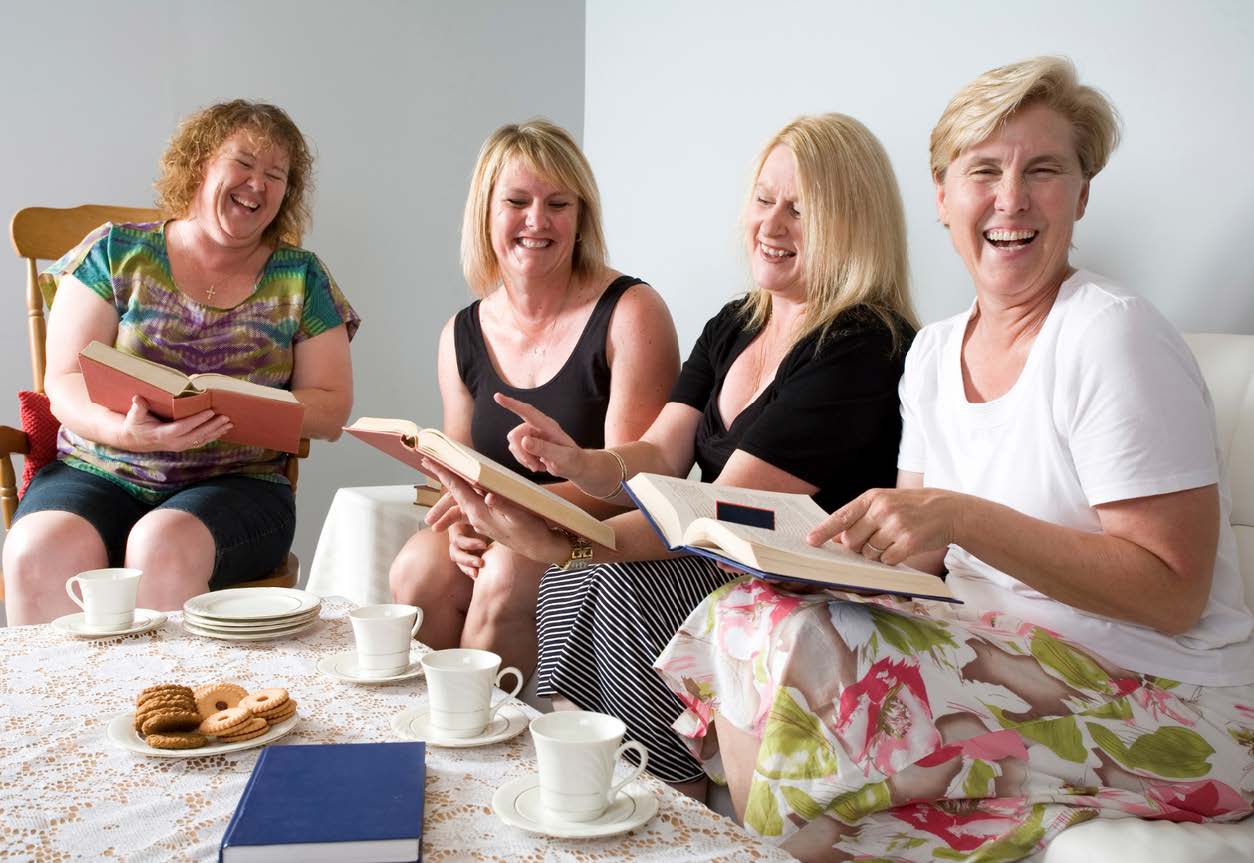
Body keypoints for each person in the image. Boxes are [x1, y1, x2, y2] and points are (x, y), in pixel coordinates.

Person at [654, 57, 1254, 862]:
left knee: (813, 652)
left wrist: (964, 518)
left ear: (1081, 195)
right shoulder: (935, 353)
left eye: (1043, 170)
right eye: (984, 171)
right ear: (943, 197)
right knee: (746, 613)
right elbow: (923, 562)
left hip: (1169, 697)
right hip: (1006, 659)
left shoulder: (1112, 334)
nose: (1011, 199)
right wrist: (824, 560)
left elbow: (1174, 591)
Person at [422, 113, 918, 796]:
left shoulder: (860, 345)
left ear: (853, 221)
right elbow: (659, 449)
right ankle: (589, 776)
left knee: (616, 579)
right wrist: (580, 462)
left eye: (801, 210)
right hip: (727, 552)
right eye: (765, 200)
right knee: (574, 576)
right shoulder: (736, 321)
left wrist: (564, 537)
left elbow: (723, 508)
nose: (772, 225)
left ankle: (670, 795)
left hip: (804, 580)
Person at [2, 100, 358, 624]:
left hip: (238, 485)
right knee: (38, 547)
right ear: (199, 165)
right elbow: (66, 378)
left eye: (274, 175)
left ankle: (163, 705)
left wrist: (234, 407)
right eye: (243, 164)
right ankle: (69, 706)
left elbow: (330, 410)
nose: (257, 184)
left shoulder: (302, 277)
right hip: (98, 468)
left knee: (162, 542)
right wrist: (129, 434)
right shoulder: (114, 253)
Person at [387, 119, 678, 676]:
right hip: (501, 517)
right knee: (415, 571)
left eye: (558, 204)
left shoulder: (632, 312)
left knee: (502, 577)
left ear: (581, 216)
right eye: (517, 201)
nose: (537, 222)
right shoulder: (459, 333)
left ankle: (499, 755)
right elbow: (456, 466)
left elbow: (631, 486)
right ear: (486, 213)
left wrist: (509, 518)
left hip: (591, 532)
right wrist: (466, 522)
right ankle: (428, 742)